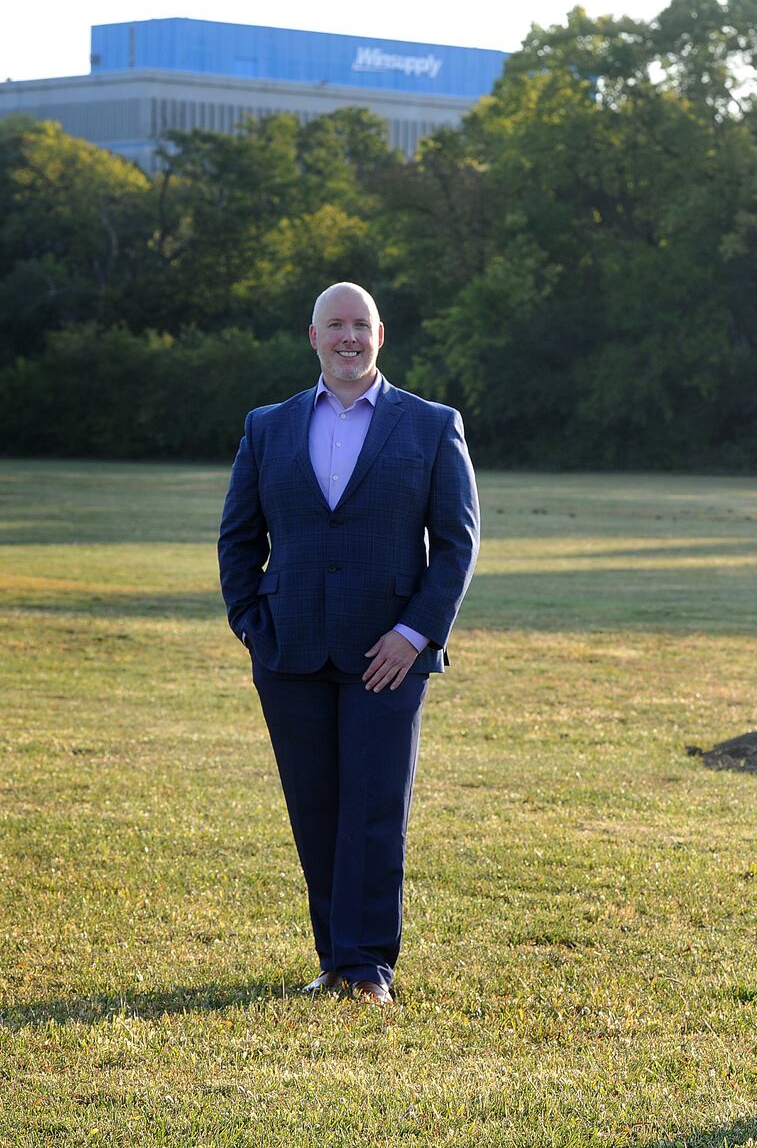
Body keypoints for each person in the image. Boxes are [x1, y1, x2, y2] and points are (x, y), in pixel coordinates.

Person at [218, 281, 479, 1005]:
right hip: (289, 651)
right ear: (312, 337)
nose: (347, 337)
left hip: (387, 658)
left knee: (373, 806)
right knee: (316, 806)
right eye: (334, 325)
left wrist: (413, 634)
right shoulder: (266, 426)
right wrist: (250, 624)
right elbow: (239, 537)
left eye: (359, 325)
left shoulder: (430, 425)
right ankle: (333, 959)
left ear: (380, 334)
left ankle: (368, 970)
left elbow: (457, 544)